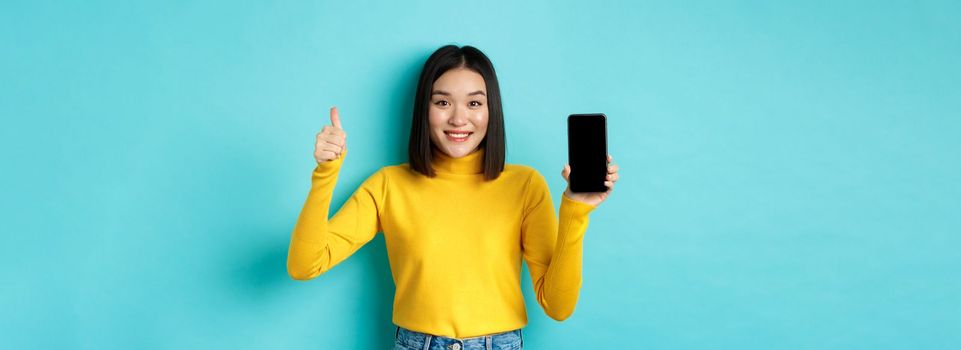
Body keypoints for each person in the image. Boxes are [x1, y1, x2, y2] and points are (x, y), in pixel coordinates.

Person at [287, 45, 620, 350]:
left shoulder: (525, 185)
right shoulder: (388, 186)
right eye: (442, 102)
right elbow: (305, 265)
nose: (459, 118)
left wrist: (576, 210)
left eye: (474, 103)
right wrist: (325, 174)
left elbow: (558, 306)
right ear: (425, 109)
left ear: (491, 111)